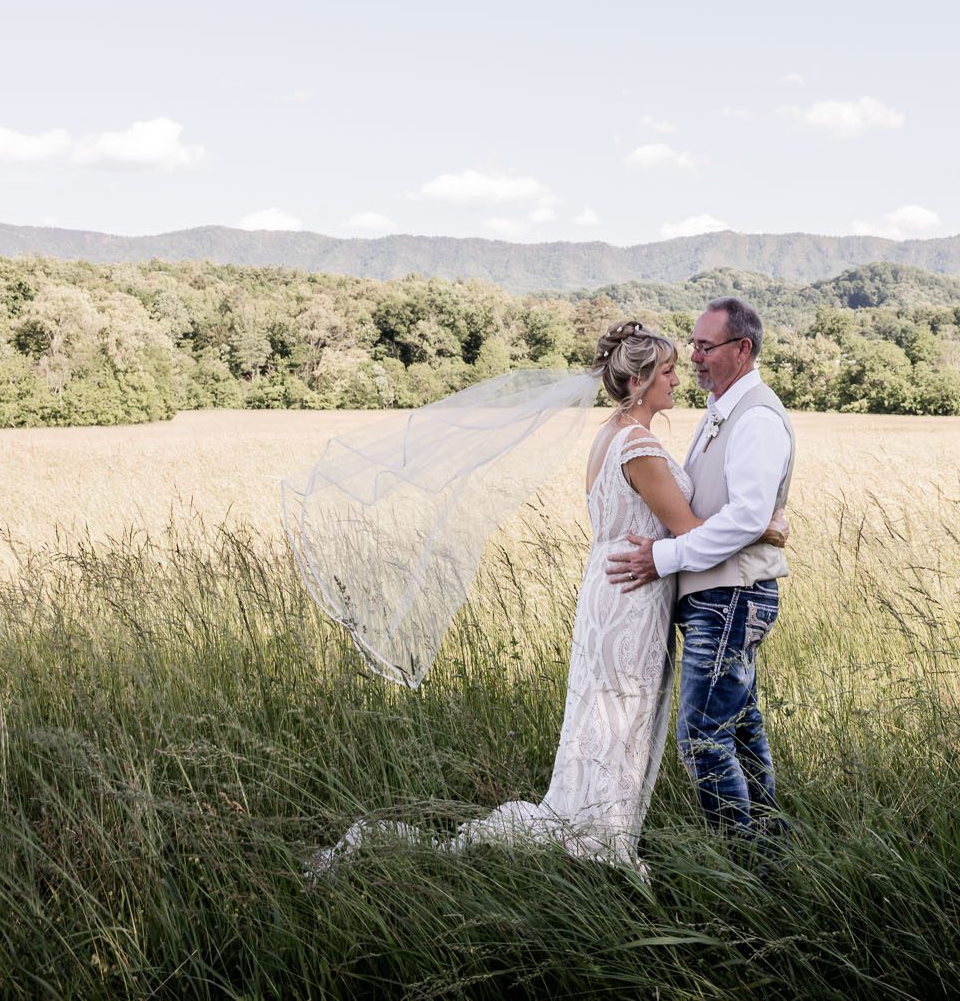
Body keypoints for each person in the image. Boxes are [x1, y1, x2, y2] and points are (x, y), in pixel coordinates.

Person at [311, 320, 785, 877]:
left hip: (612, 592)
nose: (677, 380)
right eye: (667, 371)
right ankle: (600, 843)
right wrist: (764, 527)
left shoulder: (611, 435)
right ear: (638, 381)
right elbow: (685, 529)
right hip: (631, 600)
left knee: (604, 721)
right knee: (621, 722)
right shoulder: (640, 447)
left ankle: (593, 831)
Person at [605, 296, 795, 844]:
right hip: (720, 595)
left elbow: (747, 516)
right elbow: (738, 514)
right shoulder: (723, 412)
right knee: (740, 730)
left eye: (705, 346)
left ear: (743, 349)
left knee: (702, 738)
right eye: (693, 345)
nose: (693, 357)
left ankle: (743, 860)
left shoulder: (756, 418)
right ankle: (771, 847)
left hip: (733, 595)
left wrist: (662, 557)